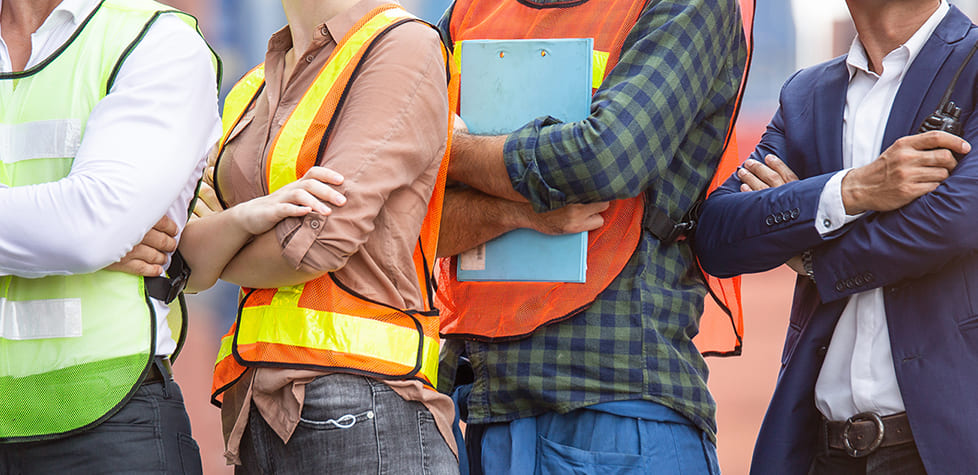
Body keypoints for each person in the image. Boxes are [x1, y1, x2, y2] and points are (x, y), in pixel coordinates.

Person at [433, 0, 748, 472]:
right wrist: (519, 212)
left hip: (614, 406)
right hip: (481, 408)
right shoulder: (469, 12)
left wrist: (448, 151)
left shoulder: (686, 7)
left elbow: (607, 159)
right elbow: (409, 210)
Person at [694, 0, 978, 472]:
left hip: (945, 444)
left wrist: (807, 251)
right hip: (821, 449)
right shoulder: (807, 94)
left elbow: (954, 219)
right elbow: (718, 233)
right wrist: (854, 190)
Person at [177, 0, 459, 472]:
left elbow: (320, 242)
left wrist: (221, 235)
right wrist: (251, 218)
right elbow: (185, 264)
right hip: (259, 409)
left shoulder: (401, 45)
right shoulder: (250, 89)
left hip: (366, 404)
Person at [0, 0, 219, 473]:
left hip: (106, 428)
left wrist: (82, 231)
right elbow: (84, 230)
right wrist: (55, 224)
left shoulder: (153, 40)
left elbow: (87, 230)